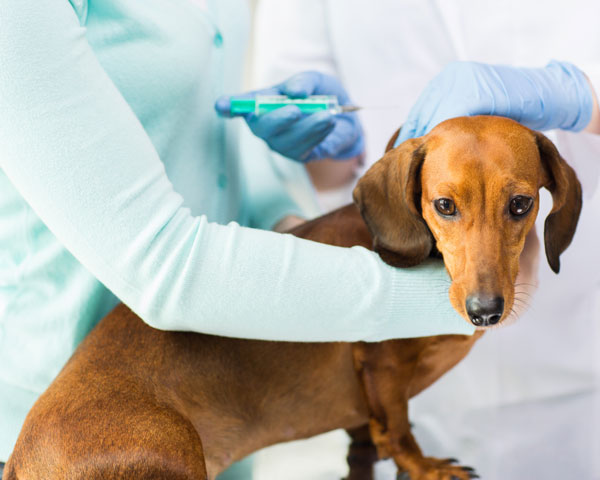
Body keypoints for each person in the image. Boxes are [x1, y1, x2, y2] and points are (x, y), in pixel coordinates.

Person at [0, 1, 492, 479]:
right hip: (69, 441)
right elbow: (165, 268)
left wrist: (287, 207)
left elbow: (214, 139)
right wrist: (470, 292)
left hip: (210, 412)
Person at [252, 1, 600, 478]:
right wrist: (329, 145)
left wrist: (577, 93)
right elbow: (315, 174)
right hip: (415, 363)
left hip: (575, 367)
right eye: (448, 208)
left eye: (519, 205)